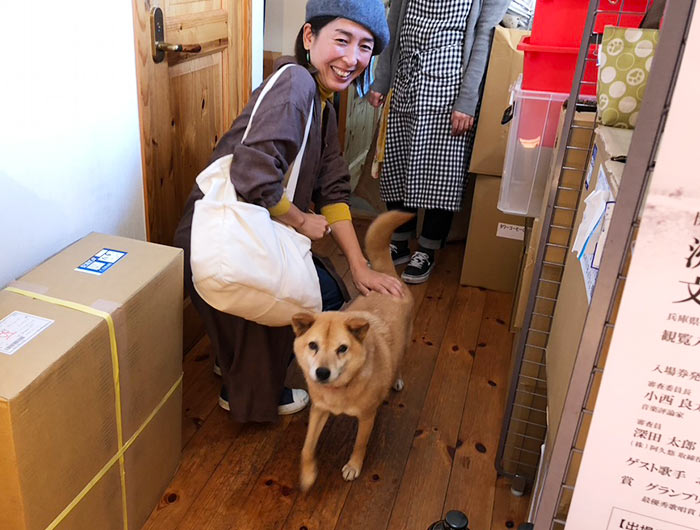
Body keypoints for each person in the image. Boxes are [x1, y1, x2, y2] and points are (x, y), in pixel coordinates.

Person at [173, 0, 401, 423]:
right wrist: (300, 220)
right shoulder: (295, 83)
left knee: (327, 284)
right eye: (342, 39)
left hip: (236, 233)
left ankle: (234, 357)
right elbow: (252, 175)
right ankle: (243, 389)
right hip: (224, 236)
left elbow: (334, 193)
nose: (352, 58)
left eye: (365, 47)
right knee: (310, 296)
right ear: (310, 37)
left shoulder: (324, 105)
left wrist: (360, 266)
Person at [368, 0, 511, 284]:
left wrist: (468, 101)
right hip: (406, 79)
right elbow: (393, 25)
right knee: (397, 161)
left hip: (450, 88)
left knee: (442, 173)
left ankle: (428, 248)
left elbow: (484, 38)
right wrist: (381, 80)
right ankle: (399, 240)